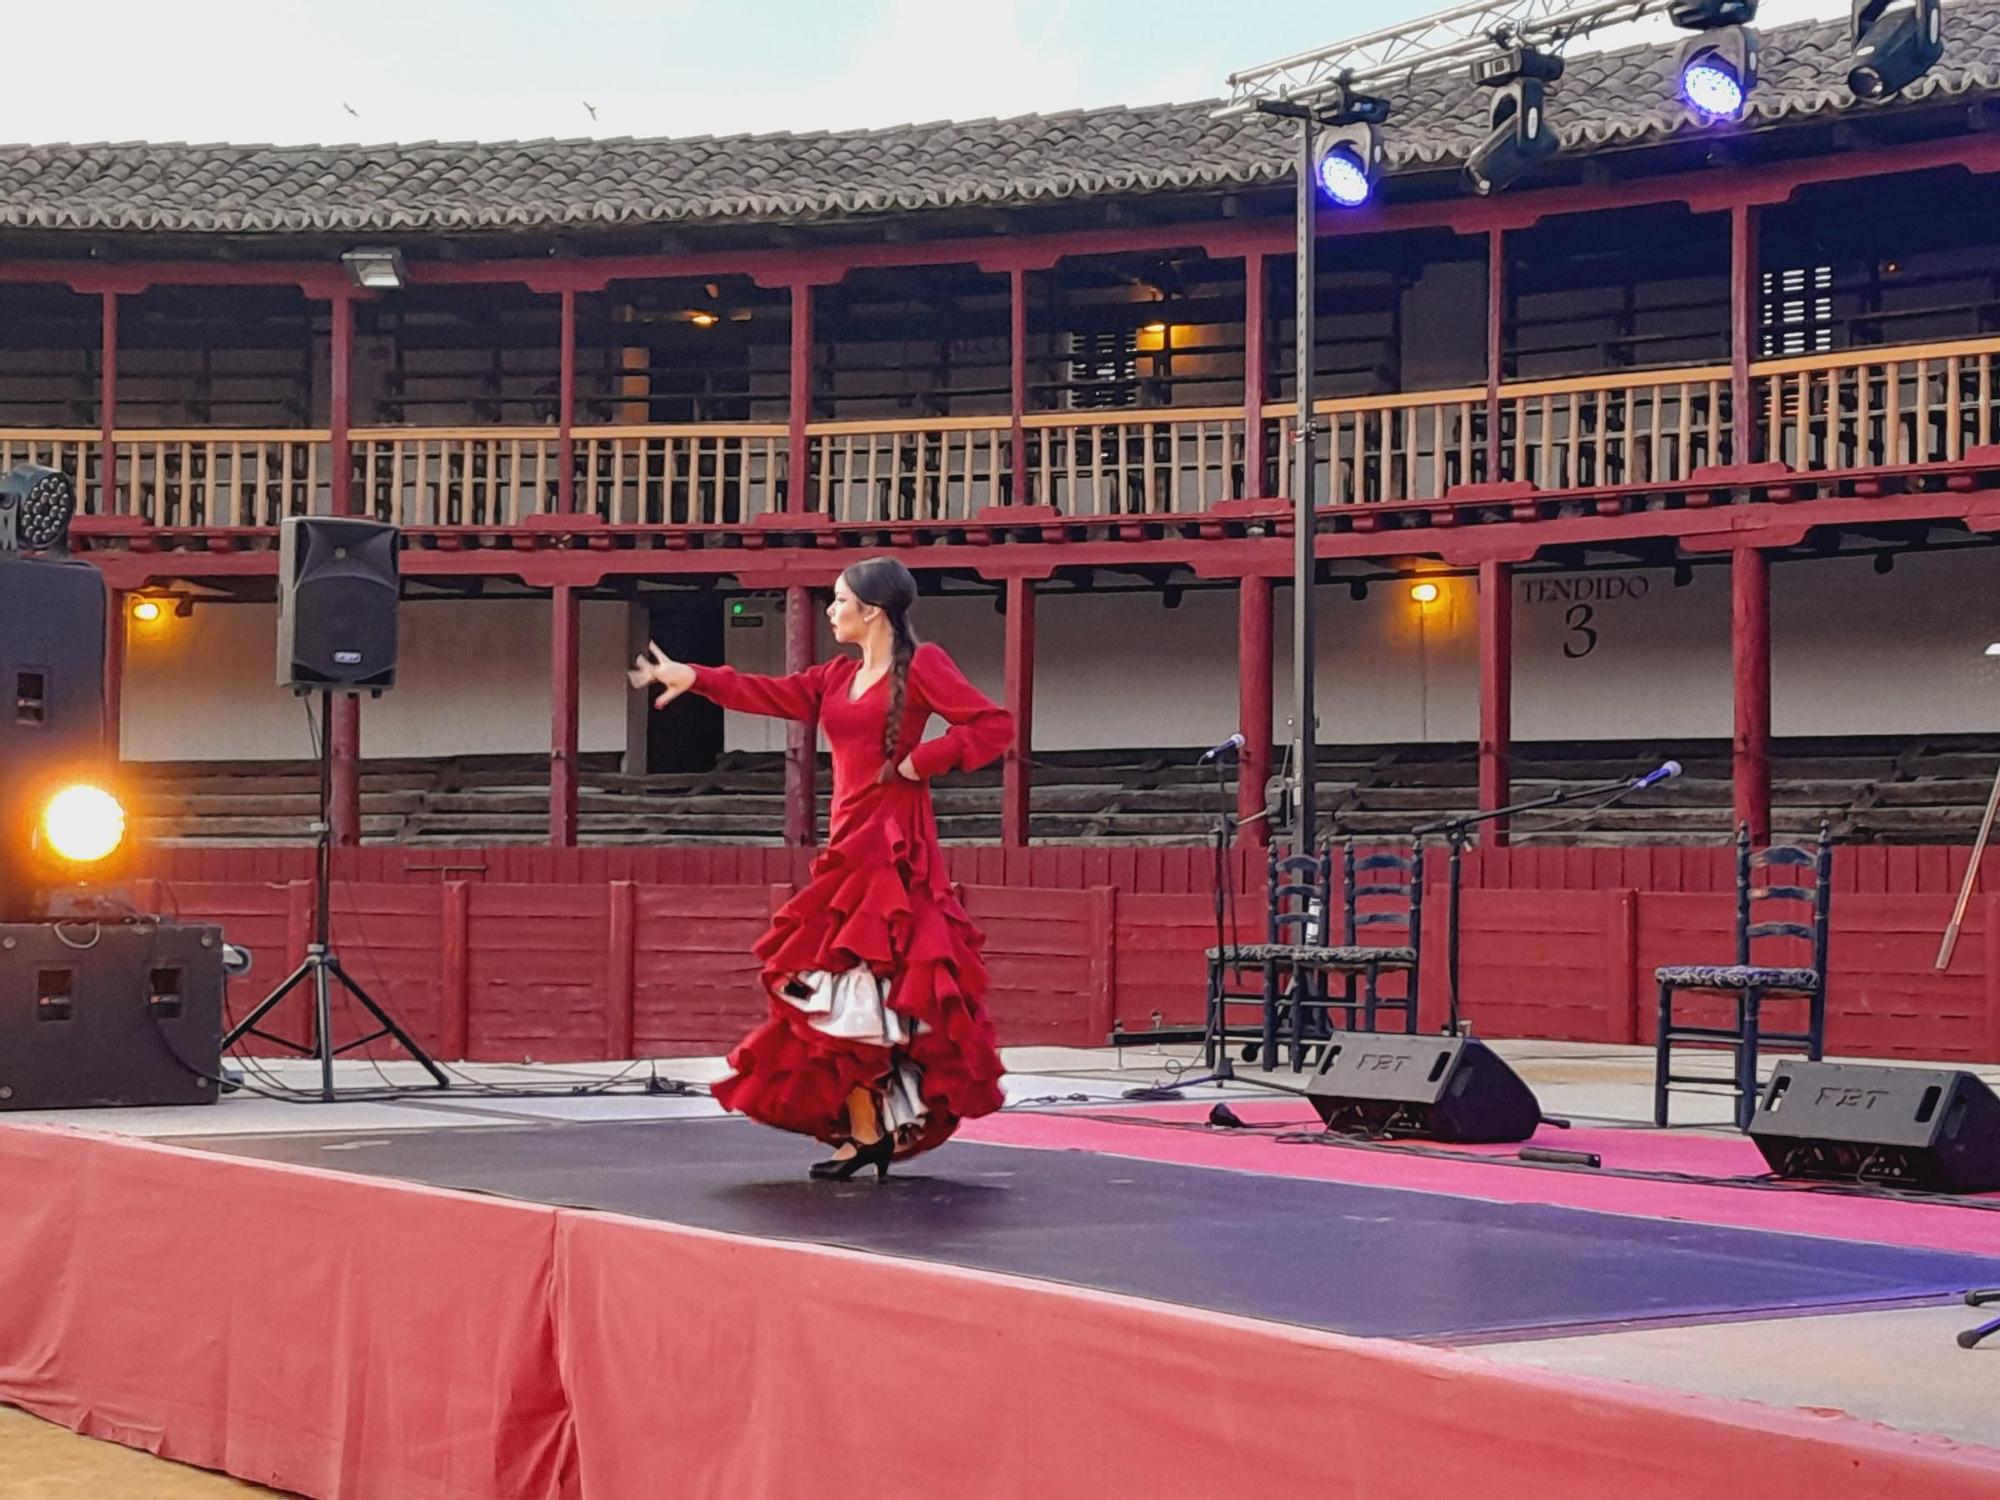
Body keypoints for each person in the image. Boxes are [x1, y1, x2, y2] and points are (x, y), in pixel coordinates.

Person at [629, 557, 1014, 1180]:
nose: (829, 611)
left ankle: (872, 1133)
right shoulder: (836, 677)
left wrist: (922, 761)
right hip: (846, 844)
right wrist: (693, 675)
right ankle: (867, 1131)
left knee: (869, 990)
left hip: (893, 846)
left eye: (837, 601)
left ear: (872, 609)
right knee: (837, 996)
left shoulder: (923, 665)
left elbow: (992, 725)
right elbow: (769, 692)